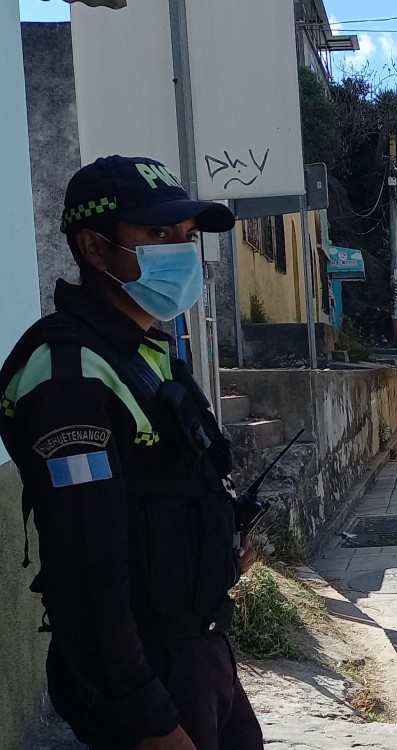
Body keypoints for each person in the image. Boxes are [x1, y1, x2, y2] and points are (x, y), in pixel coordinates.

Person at [0, 156, 263, 750]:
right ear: (95, 249)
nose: (181, 250)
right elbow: (87, 571)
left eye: (187, 236)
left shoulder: (148, 353)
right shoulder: (68, 374)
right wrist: (150, 721)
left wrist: (216, 552)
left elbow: (168, 491)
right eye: (157, 234)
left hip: (200, 652)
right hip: (145, 675)